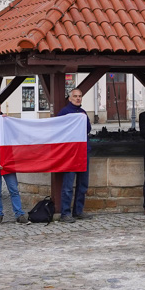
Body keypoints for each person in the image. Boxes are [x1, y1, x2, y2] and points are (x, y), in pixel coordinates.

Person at [0, 99, 30, 225]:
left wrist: (10, 123)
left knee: (13, 189)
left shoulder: (5, 122)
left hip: (8, 163)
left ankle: (19, 214)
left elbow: (17, 137)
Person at [58, 88, 93, 223]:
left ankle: (78, 211)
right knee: (68, 185)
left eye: (80, 96)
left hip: (83, 152)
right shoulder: (65, 113)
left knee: (83, 184)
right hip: (70, 154)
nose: (78, 98)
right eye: (75, 96)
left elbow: (88, 129)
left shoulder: (83, 113)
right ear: (70, 98)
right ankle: (65, 213)